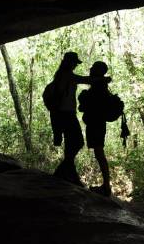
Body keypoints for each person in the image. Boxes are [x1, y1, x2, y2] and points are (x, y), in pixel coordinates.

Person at [47, 52, 110, 187]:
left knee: (71, 144)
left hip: (63, 114)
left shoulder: (61, 75)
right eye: (75, 62)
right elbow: (86, 80)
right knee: (77, 142)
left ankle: (69, 175)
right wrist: (103, 79)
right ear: (69, 62)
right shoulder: (66, 75)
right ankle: (62, 173)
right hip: (65, 114)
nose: (76, 65)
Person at [78, 61, 112, 197]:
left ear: (97, 70)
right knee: (99, 153)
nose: (90, 69)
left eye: (93, 67)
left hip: (96, 124)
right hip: (97, 123)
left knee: (99, 153)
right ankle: (106, 186)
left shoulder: (98, 86)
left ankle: (106, 187)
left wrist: (83, 99)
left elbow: (91, 106)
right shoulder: (100, 84)